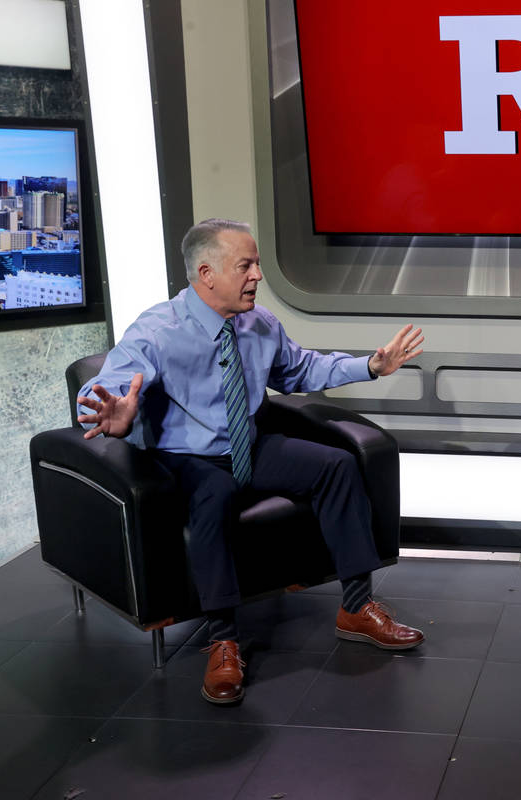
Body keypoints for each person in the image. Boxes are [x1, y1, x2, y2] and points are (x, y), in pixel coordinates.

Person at [77, 218, 426, 705]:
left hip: (249, 445)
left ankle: (355, 608)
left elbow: (301, 368)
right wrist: (113, 409)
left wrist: (370, 366)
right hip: (187, 458)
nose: (258, 275)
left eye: (257, 264)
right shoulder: (157, 330)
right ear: (207, 273)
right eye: (246, 265)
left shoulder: (259, 324)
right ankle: (222, 640)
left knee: (338, 464)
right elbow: (104, 390)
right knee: (213, 495)